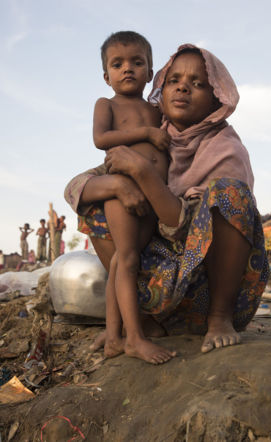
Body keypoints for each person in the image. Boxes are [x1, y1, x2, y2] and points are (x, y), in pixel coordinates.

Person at [65, 43, 269, 362]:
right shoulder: (152, 138)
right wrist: (120, 183)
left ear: (217, 98)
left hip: (207, 289)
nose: (183, 87)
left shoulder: (225, 149)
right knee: (98, 201)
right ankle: (136, 323)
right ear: (161, 86)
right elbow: (76, 187)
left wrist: (144, 174)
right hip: (160, 298)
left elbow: (182, 229)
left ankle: (219, 319)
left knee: (231, 194)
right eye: (174, 80)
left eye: (198, 83)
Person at [82, 31, 172, 364]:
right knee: (129, 259)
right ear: (106, 76)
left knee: (122, 259)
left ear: (151, 72)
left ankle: (114, 336)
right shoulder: (107, 104)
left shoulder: (156, 107)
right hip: (123, 189)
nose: (127, 69)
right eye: (117, 64)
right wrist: (147, 133)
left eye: (137, 62)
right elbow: (101, 138)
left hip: (153, 195)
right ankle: (134, 338)